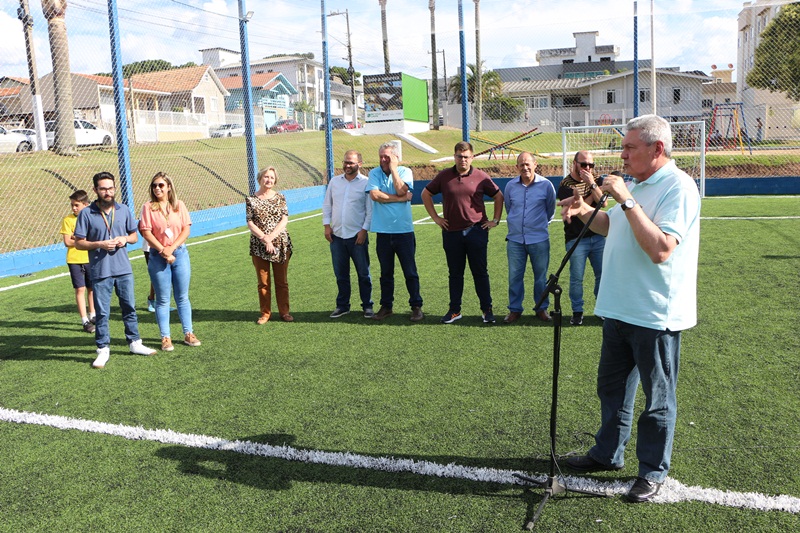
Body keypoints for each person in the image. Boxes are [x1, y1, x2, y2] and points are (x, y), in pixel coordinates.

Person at [559, 114, 701, 503]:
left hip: (655, 313)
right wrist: (585, 213)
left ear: (657, 149)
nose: (621, 155)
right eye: (622, 147)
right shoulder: (636, 184)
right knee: (611, 389)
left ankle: (653, 472)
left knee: (657, 399)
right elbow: (615, 227)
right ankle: (608, 453)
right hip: (619, 308)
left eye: (629, 148)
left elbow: (660, 249)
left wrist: (626, 198)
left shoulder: (678, 187)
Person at [74, 172, 157, 368]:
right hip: (100, 271)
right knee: (102, 312)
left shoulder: (124, 209)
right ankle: (103, 349)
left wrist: (124, 239)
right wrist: (99, 244)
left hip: (123, 269)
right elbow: (78, 243)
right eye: (103, 188)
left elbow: (134, 237)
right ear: (95, 190)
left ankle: (135, 342)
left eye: (111, 188)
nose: (108, 192)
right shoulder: (87, 213)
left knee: (129, 307)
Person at [422, 141, 503, 324]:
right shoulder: (444, 176)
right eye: (459, 156)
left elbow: (498, 196)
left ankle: (486, 309)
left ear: (472, 157)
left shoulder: (481, 176)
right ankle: (454, 310)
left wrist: (495, 220)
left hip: (477, 231)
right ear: (454, 157)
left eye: (466, 156)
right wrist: (436, 218)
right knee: (455, 273)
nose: (463, 160)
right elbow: (426, 194)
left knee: (480, 272)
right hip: (451, 233)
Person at [139, 172, 201, 351]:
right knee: (163, 299)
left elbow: (186, 229)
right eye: (154, 185)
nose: (157, 188)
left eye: (160, 185)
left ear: (168, 187)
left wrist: (172, 249)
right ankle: (165, 337)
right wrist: (163, 250)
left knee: (182, 297)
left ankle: (188, 333)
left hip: (179, 254)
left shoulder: (178, 205)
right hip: (158, 257)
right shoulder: (148, 207)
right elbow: (147, 232)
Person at [366, 141, 424, 322]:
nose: (383, 160)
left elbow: (401, 189)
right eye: (381, 157)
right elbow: (375, 196)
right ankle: (386, 306)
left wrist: (393, 169)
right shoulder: (373, 173)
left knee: (410, 271)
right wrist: (400, 200)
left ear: (396, 157)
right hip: (382, 232)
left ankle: (416, 306)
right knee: (386, 273)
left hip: (404, 231)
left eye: (387, 157)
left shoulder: (405, 172)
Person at [502, 152, 556, 324]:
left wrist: (536, 226)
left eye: (527, 164)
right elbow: (509, 209)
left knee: (540, 277)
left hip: (539, 239)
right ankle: (515, 310)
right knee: (514, 276)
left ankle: (541, 308)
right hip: (516, 240)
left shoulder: (546, 185)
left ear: (535, 164)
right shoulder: (510, 186)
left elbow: (550, 210)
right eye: (521, 164)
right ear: (517, 167)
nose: (525, 167)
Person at [556, 151, 607, 326]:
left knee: (602, 274)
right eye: (583, 164)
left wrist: (591, 183)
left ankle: (601, 309)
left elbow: (604, 203)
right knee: (576, 277)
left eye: (590, 165)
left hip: (598, 236)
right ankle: (577, 311)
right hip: (576, 238)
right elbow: (578, 207)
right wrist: (594, 193)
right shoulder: (565, 184)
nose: (587, 168)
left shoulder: (596, 179)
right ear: (574, 163)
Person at [323, 150, 374, 318]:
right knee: (341, 275)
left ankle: (367, 305)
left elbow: (370, 210)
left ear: (360, 164)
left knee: (363, 274)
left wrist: (364, 230)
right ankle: (343, 305)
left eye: (351, 163)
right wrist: (326, 226)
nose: (347, 165)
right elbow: (327, 205)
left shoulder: (366, 183)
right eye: (345, 162)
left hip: (357, 236)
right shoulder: (334, 182)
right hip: (337, 236)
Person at [246, 166, 293, 324]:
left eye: (272, 177)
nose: (269, 180)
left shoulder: (280, 197)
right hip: (259, 246)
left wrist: (271, 237)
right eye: (266, 177)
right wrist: (264, 239)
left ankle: (284, 312)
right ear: (260, 179)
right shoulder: (251, 199)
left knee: (282, 281)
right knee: (263, 282)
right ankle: (265, 313)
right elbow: (250, 222)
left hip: (280, 244)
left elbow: (284, 219)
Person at [60, 190, 96, 333]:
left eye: (77, 205)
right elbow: (67, 242)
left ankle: (93, 315)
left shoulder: (90, 217)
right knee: (80, 289)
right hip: (74, 260)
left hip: (89, 258)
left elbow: (93, 238)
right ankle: (84, 320)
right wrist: (80, 240)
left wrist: (77, 238)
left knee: (91, 288)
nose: (74, 208)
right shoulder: (68, 220)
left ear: (85, 205)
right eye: (72, 205)